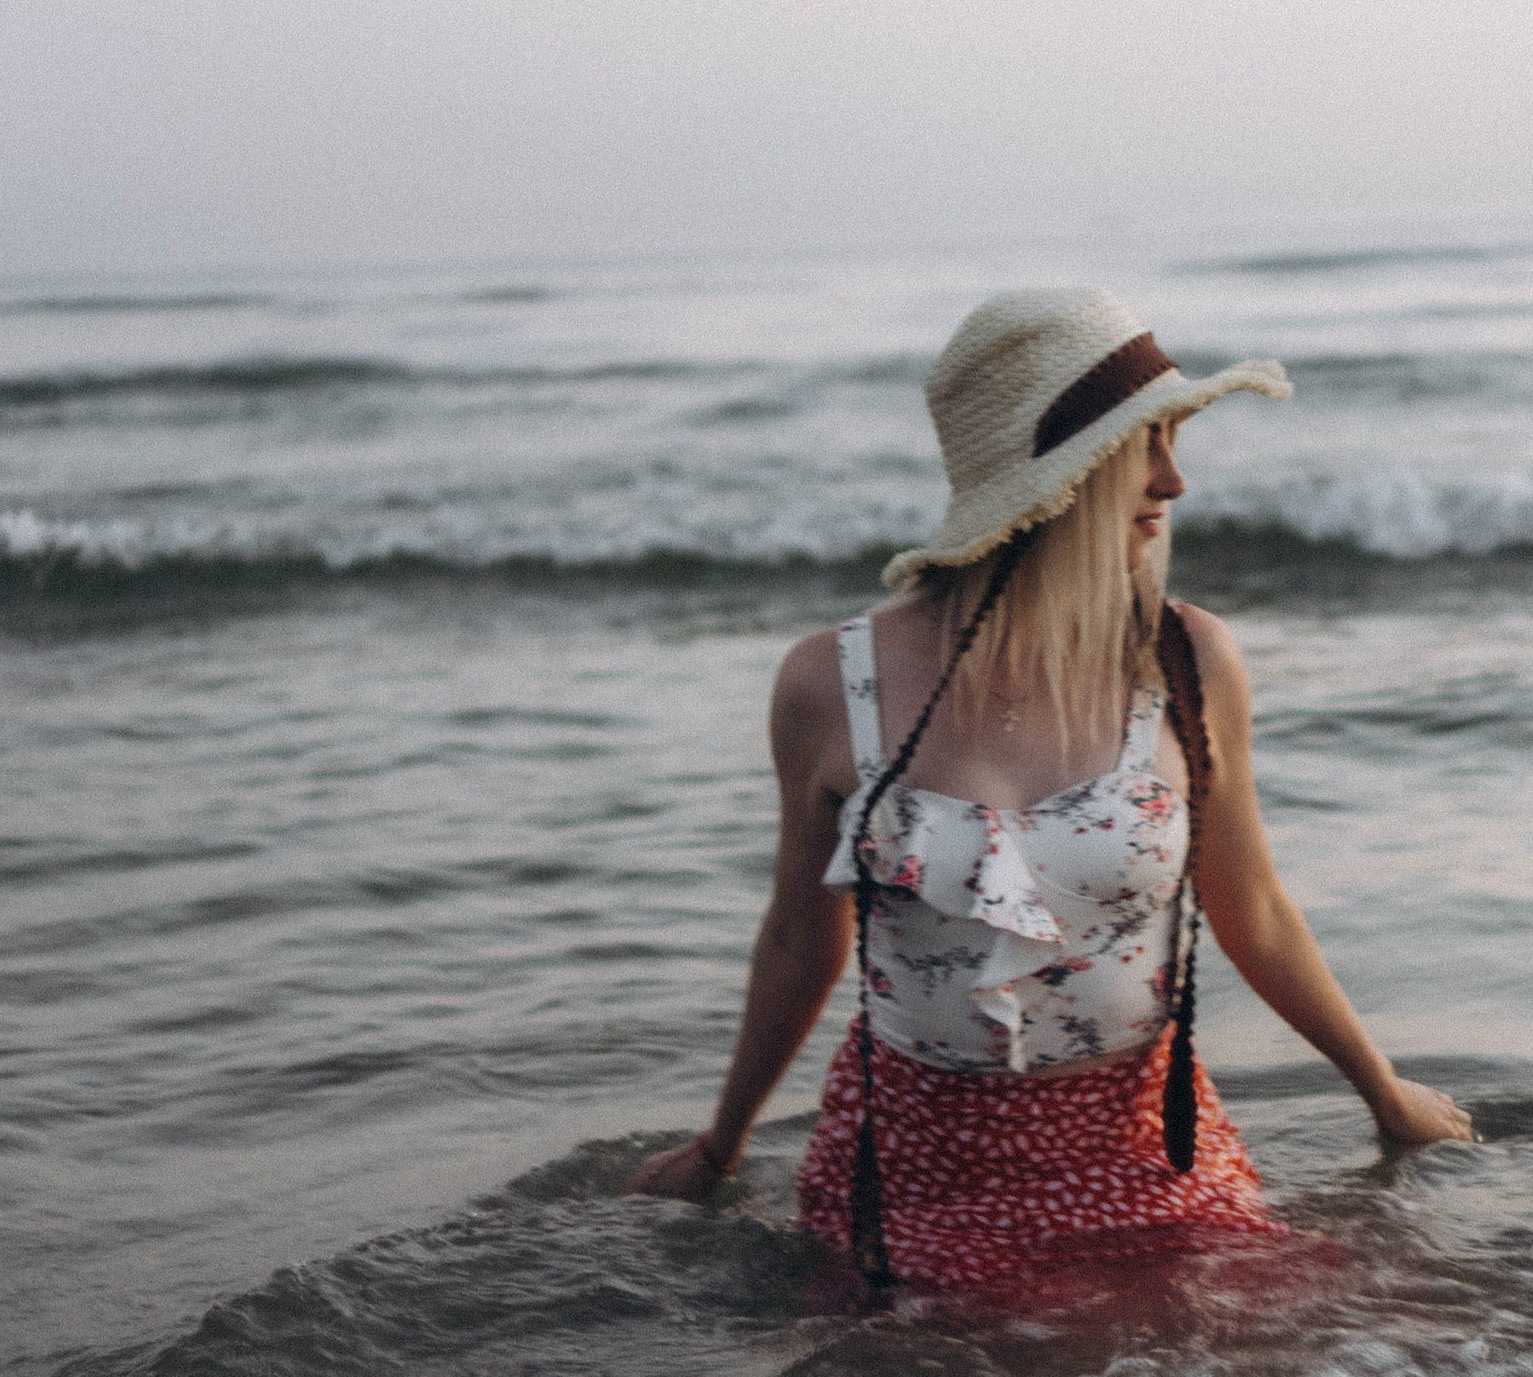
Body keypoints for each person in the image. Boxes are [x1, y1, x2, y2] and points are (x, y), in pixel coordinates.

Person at [626, 287, 1470, 1286]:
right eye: (1143, 444)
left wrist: (1382, 1095)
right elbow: (799, 934)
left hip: (1140, 1152)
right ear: (1053, 481)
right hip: (911, 1163)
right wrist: (722, 1147)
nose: (1175, 480)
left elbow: (1255, 910)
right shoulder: (830, 684)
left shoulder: (1186, 661)